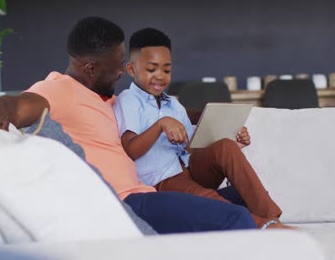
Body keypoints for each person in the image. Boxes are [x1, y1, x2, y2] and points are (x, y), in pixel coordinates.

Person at [0, 16, 257, 233]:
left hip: (149, 193)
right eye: (119, 65)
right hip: (126, 202)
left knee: (243, 197)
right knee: (238, 218)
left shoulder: (104, 98)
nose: (123, 71)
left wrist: (205, 118)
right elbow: (22, 105)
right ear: (91, 69)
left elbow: (161, 110)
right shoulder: (59, 90)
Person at [112, 27, 292, 229]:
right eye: (151, 69)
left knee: (226, 147)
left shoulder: (172, 103)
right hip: (163, 181)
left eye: (167, 70)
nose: (160, 76)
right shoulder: (128, 100)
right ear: (132, 69)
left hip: (189, 169)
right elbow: (130, 149)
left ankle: (272, 218)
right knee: (205, 198)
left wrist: (232, 142)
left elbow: (191, 148)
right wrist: (161, 125)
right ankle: (259, 225)